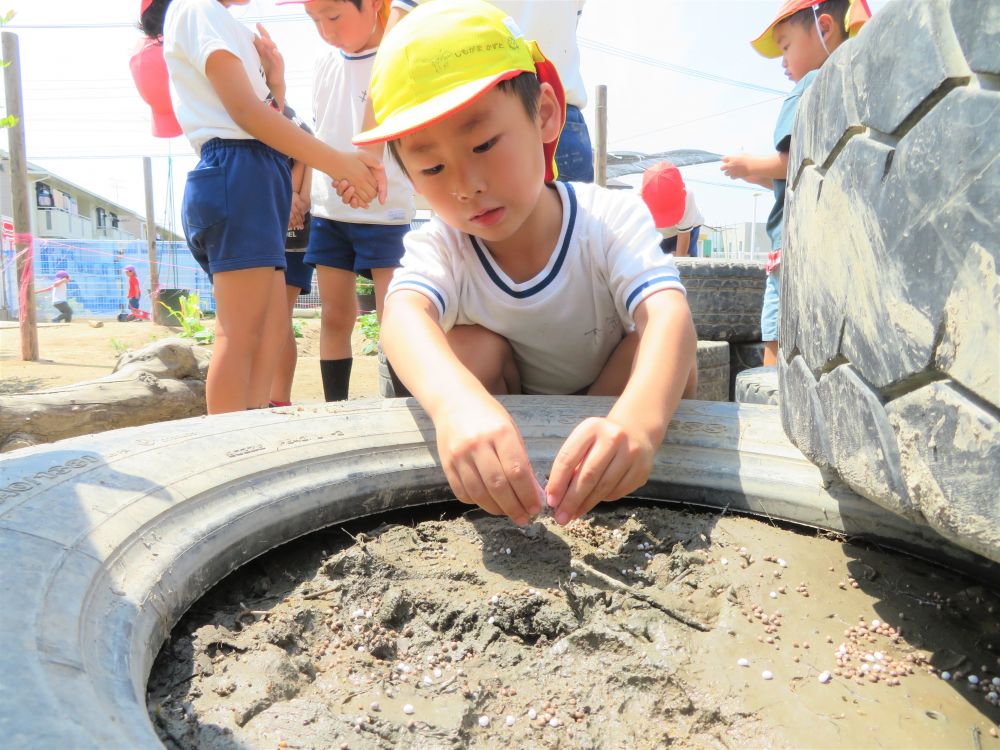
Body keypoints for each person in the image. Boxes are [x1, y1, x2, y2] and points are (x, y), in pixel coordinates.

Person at [355, 0, 698, 528]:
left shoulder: (606, 218)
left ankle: (622, 465)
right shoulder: (444, 244)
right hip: (509, 414)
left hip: (608, 399)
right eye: (433, 166)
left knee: (661, 353)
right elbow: (401, 317)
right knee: (465, 348)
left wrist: (638, 423)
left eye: (484, 144)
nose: (466, 185)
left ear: (544, 113)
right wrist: (456, 407)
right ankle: (503, 476)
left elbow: (669, 314)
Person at [156, 0, 387, 414]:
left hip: (258, 170)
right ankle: (230, 445)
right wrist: (341, 164)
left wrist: (275, 83)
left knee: (271, 329)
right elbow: (245, 112)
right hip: (238, 168)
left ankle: (254, 428)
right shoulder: (196, 9)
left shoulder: (226, 22)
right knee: (241, 331)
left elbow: (264, 114)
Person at [277, 0, 415, 403]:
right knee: (335, 315)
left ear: (375, 5)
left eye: (333, 16)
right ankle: (336, 408)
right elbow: (317, 135)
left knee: (397, 317)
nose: (325, 29)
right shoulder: (323, 62)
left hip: (386, 213)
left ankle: (404, 406)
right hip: (330, 212)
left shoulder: (399, 53)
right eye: (314, 19)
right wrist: (306, 195)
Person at [721, 0, 871, 366]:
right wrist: (761, 174)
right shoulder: (856, 87)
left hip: (792, 247)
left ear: (825, 27)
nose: (783, 62)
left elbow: (794, 163)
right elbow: (807, 175)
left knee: (777, 331)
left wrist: (746, 165)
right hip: (837, 243)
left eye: (786, 46)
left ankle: (769, 400)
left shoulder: (809, 85)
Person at [380, 0, 594, 183]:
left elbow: (392, 50)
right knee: (571, 227)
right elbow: (564, 30)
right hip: (562, 116)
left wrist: (372, 150)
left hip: (477, 118)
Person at [269, 104, 315, 408]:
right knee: (270, 317)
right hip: (274, 218)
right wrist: (294, 197)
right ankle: (272, 397)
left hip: (290, 227)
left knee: (277, 317)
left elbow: (306, 147)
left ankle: (277, 398)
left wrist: (295, 197)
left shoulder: (277, 110)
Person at [640, 161, 704, 257]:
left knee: (686, 262)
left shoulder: (687, 196)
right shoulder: (638, 202)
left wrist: (679, 260)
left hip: (687, 230)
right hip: (659, 235)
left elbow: (684, 234)